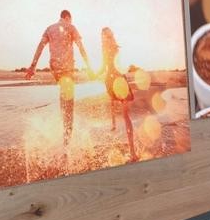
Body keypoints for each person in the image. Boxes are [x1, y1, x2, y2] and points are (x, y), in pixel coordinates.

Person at [29, 10, 90, 142]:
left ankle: (63, 124)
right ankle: (67, 142)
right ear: (67, 17)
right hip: (67, 68)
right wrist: (89, 66)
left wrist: (33, 66)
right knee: (70, 105)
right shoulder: (71, 27)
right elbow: (81, 47)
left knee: (63, 96)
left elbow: (40, 46)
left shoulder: (49, 28)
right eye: (70, 19)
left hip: (55, 69)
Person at [98, 28, 139, 161]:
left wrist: (93, 74)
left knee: (119, 108)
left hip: (112, 80)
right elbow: (118, 65)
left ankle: (114, 124)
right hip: (119, 79)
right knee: (126, 115)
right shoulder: (115, 48)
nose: (104, 38)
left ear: (105, 37)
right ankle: (132, 152)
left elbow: (103, 67)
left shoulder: (105, 49)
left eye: (104, 36)